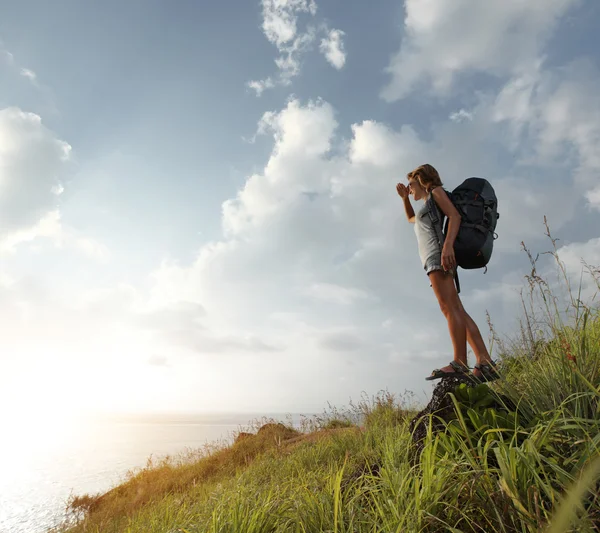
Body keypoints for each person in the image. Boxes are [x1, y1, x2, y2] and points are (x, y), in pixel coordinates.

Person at [396, 164, 499, 381]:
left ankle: (460, 362)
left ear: (422, 179)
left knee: (448, 308)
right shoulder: (427, 204)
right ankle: (485, 361)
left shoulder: (436, 193)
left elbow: (455, 216)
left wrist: (447, 247)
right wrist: (405, 198)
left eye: (411, 184)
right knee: (456, 309)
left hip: (438, 256)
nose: (409, 188)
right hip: (435, 257)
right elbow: (411, 219)